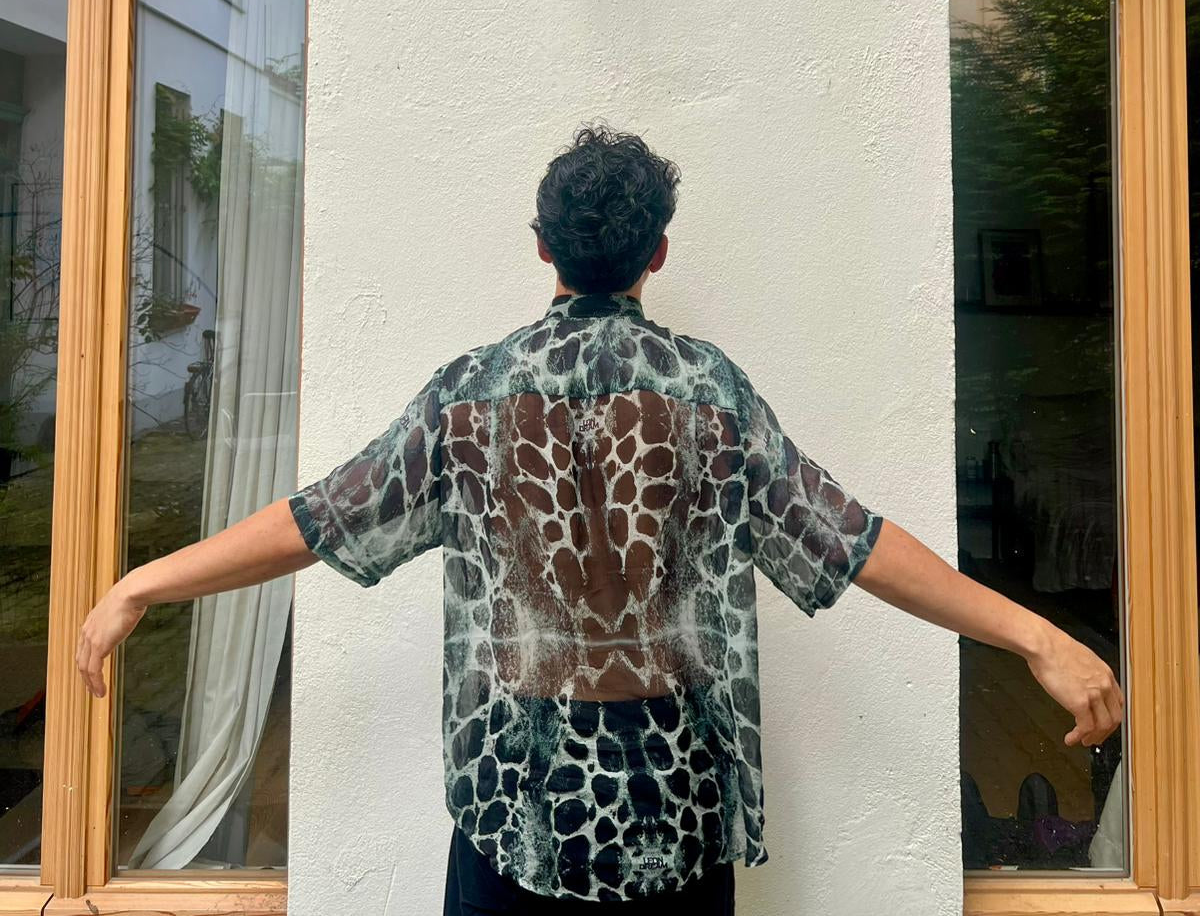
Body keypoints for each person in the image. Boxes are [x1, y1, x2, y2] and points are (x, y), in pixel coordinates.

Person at [77, 123, 1124, 914]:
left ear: (543, 246)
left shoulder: (469, 394)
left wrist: (141, 579)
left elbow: (319, 518)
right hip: (676, 817)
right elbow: (852, 541)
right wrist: (1035, 630)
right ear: (657, 253)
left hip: (512, 819)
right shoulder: (711, 393)